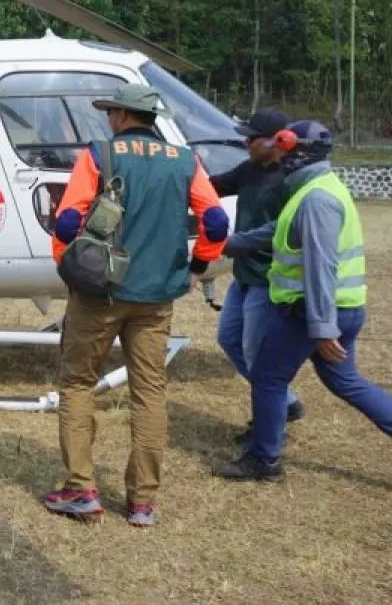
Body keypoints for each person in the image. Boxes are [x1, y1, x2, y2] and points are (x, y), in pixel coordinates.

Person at [46, 83, 229, 527]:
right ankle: (143, 502)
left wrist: (65, 263)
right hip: (156, 298)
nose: (108, 118)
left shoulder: (98, 155)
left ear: (124, 116)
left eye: (111, 112)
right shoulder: (186, 161)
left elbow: (68, 221)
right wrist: (202, 262)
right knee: (149, 393)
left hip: (99, 293)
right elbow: (217, 219)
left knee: (77, 385)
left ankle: (81, 490)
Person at [214, 120, 392, 482]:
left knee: (267, 378)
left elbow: (320, 267)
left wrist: (322, 327)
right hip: (340, 310)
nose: (277, 153)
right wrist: (228, 244)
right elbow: (278, 232)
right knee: (347, 383)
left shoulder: (316, 200)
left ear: (300, 152)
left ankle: (264, 460)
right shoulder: (314, 189)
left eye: (284, 147)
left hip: (310, 312)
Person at [210, 108, 305, 443]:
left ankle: (269, 429)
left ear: (276, 140)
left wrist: (232, 243)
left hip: (270, 277)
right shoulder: (249, 169)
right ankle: (286, 403)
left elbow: (279, 229)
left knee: (257, 354)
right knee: (229, 339)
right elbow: (214, 187)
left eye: (252, 137)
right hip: (245, 274)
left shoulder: (291, 177)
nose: (245, 142)